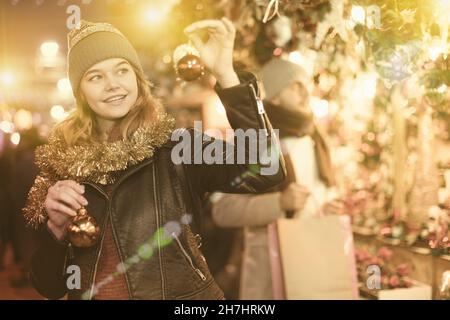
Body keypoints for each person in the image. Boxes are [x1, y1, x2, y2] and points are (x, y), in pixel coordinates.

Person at [23, 19, 285, 300]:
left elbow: (265, 171)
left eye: (121, 70)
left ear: (137, 78)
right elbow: (49, 286)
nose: (112, 85)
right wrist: (56, 231)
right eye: (95, 77)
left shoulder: (176, 147)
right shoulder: (63, 166)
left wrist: (226, 75)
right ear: (81, 93)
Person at [212, 58, 343, 299]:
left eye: (306, 85)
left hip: (316, 269)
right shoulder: (253, 144)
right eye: (295, 86)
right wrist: (279, 203)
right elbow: (223, 210)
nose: (305, 93)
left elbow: (323, 194)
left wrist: (330, 205)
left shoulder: (316, 139)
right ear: (274, 96)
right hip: (272, 277)